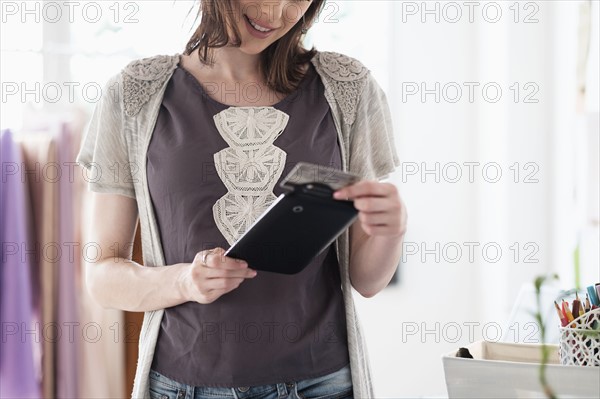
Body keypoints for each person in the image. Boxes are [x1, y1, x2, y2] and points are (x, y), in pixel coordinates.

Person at [76, 1, 407, 398]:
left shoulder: (348, 87)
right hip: (186, 386)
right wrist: (185, 281)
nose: (276, 11)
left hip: (322, 384)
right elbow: (102, 276)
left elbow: (366, 281)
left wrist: (391, 231)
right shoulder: (134, 95)